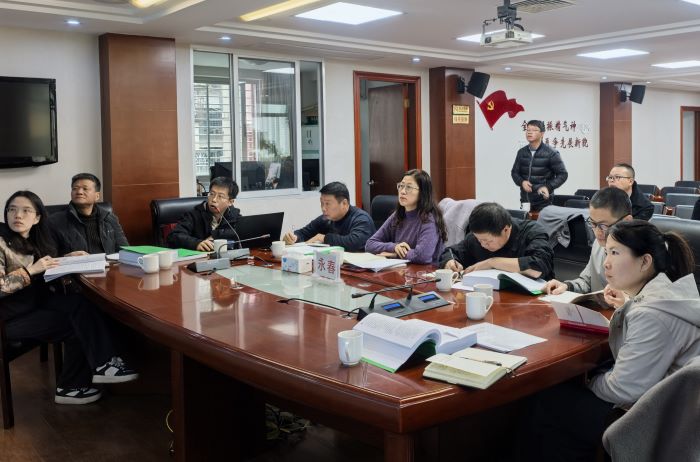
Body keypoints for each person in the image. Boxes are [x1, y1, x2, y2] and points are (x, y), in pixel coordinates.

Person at [519, 220, 699, 461]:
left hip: (653, 422)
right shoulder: (668, 294)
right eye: (606, 253)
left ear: (645, 262)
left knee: (547, 398)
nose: (606, 263)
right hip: (674, 408)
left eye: (615, 253)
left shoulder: (651, 315)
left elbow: (623, 389)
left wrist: (587, 380)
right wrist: (628, 303)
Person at [1, 191, 138, 405]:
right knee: (79, 324)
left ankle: (102, 366)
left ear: (37, 218)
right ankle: (73, 384)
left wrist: (65, 259)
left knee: (82, 304)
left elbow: (43, 269)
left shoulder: (33, 240)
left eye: (26, 210)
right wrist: (31, 270)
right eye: (12, 210)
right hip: (9, 319)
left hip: (33, 305)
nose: (17, 215)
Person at [542, 187, 633, 294]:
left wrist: (626, 301)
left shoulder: (640, 253)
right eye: (593, 223)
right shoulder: (598, 243)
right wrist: (567, 286)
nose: (597, 232)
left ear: (627, 221)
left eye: (603, 226)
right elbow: (587, 281)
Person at [438, 202, 554, 280]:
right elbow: (451, 252)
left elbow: (539, 266)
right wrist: (450, 262)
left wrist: (492, 263)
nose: (483, 245)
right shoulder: (477, 237)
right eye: (479, 240)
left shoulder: (532, 232)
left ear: (506, 229)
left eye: (488, 241)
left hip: (535, 299)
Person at [365, 169, 446, 264]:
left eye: (409, 187)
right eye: (401, 186)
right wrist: (394, 247)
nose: (402, 191)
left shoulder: (429, 219)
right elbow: (369, 244)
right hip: (403, 269)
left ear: (422, 192)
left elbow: (422, 256)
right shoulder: (398, 215)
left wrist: (396, 255)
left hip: (426, 271)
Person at [282, 182, 375, 252]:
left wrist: (323, 238)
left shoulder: (361, 219)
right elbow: (304, 233)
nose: (323, 208)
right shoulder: (326, 218)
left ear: (344, 203)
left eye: (327, 204)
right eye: (321, 203)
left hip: (361, 269)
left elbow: (354, 243)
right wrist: (293, 237)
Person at [50, 173, 129, 256]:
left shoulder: (110, 218)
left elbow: (124, 250)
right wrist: (65, 257)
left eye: (85, 189)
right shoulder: (55, 221)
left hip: (108, 264)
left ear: (97, 196)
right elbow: (48, 257)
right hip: (75, 264)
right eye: (75, 188)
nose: (79, 192)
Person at [166, 176, 241, 251]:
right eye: (212, 194)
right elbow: (174, 236)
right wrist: (196, 243)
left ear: (230, 202)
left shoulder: (234, 214)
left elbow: (242, 232)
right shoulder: (193, 215)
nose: (214, 199)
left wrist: (216, 235)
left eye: (220, 196)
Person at [511, 120, 568, 212]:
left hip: (544, 203)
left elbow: (563, 174)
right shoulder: (521, 152)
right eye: (528, 130)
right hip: (525, 201)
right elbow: (514, 172)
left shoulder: (551, 153)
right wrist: (522, 182)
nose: (529, 132)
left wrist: (548, 187)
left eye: (534, 130)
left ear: (542, 134)